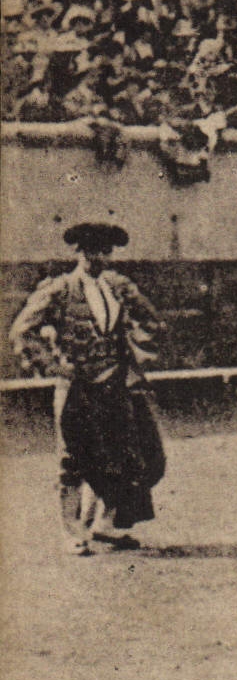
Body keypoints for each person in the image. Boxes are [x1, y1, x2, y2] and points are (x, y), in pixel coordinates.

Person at [10, 223, 166, 555]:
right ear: (78, 252)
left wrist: (132, 356)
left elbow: (151, 322)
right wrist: (54, 365)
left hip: (114, 383)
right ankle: (72, 531)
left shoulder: (118, 287)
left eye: (105, 251)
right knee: (72, 459)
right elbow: (23, 330)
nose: (99, 257)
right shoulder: (60, 289)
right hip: (76, 385)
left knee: (118, 455)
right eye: (92, 251)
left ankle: (103, 526)